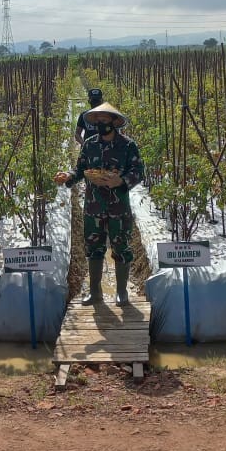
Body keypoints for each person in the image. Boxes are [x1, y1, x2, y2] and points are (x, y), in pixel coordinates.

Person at [55, 102, 145, 306]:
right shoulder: (90, 144)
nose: (101, 124)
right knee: (93, 246)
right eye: (97, 121)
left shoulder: (128, 145)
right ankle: (95, 292)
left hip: (118, 207)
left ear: (114, 122)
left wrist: (120, 181)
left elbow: (139, 171)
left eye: (105, 120)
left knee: (121, 246)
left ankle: (121, 292)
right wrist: (68, 176)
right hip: (94, 206)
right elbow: (81, 169)